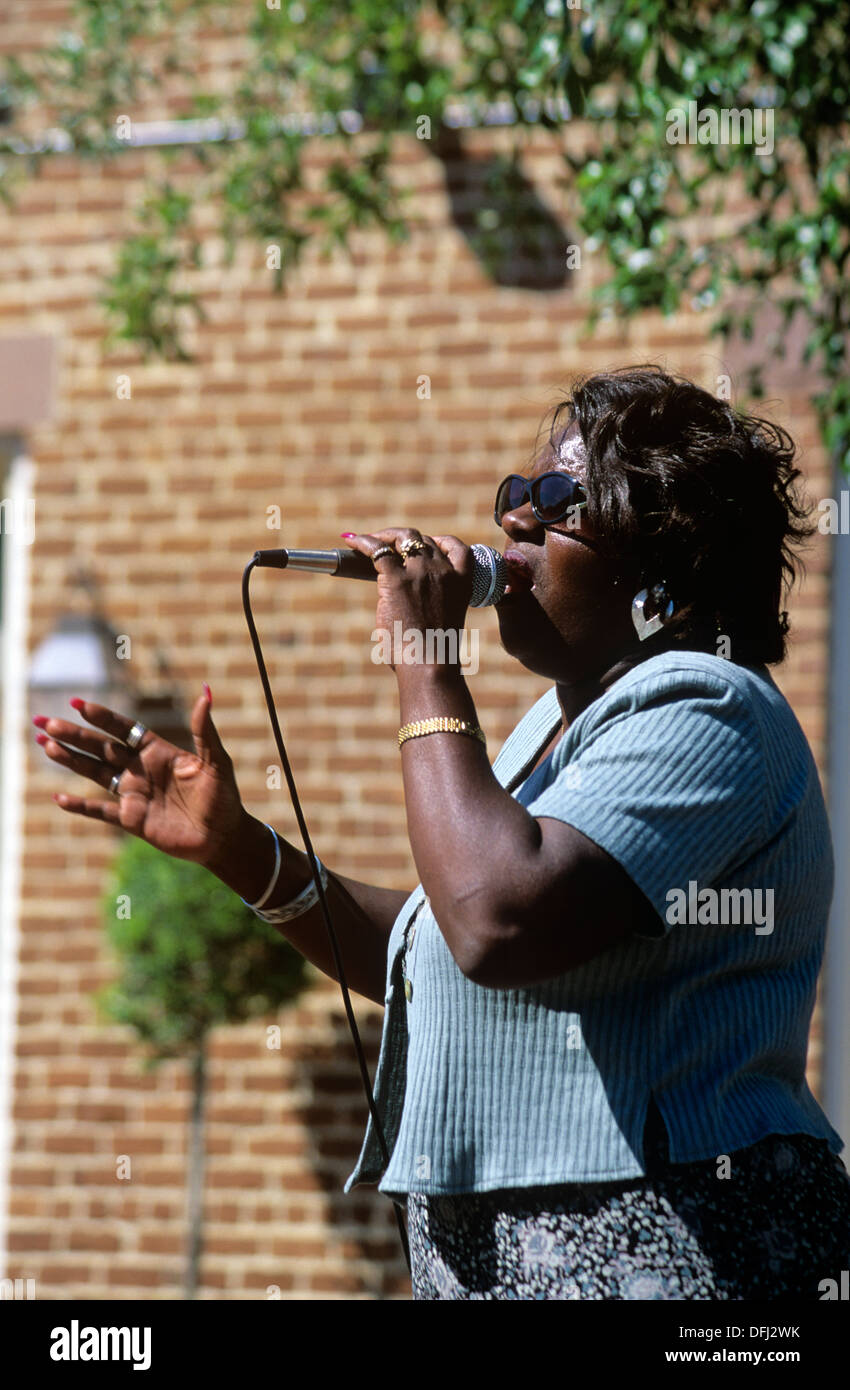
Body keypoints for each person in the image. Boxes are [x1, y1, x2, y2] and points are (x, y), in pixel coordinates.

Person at [35, 364, 850, 1301]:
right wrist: (241, 853)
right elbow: (440, 940)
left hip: (680, 1255)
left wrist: (425, 661)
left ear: (662, 562)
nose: (511, 522)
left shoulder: (714, 710)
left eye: (555, 500)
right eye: (513, 495)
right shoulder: (560, 723)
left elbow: (497, 919)